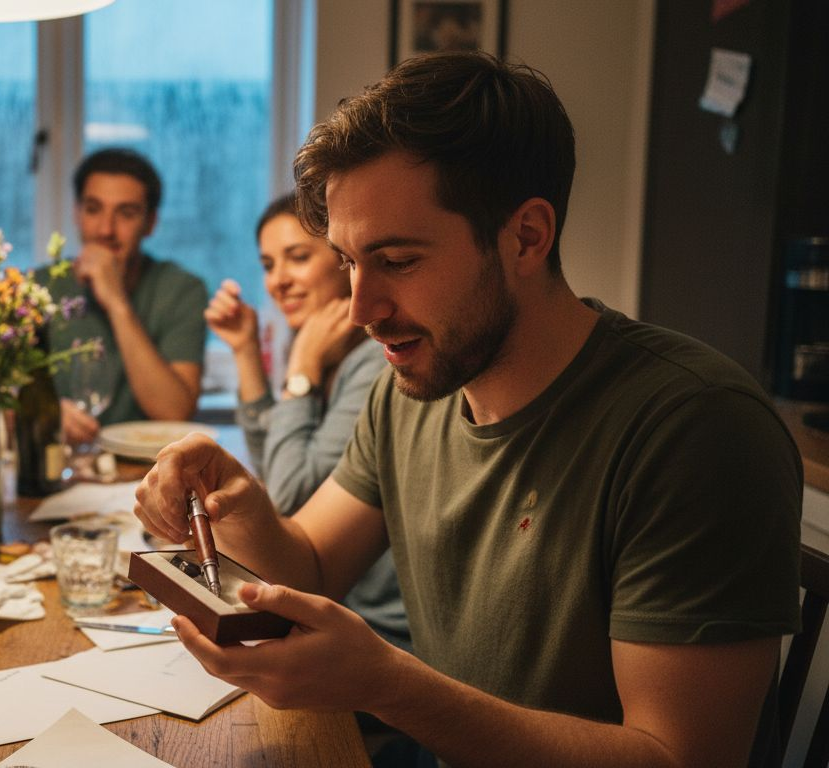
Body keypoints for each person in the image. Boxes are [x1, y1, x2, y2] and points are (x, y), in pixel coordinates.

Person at [134, 51, 802, 768]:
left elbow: (678, 759)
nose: (361, 309)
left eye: (397, 260)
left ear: (526, 237)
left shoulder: (695, 429)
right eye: (351, 262)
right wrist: (241, 503)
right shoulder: (410, 390)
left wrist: (388, 685)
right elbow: (313, 565)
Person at [204, 193, 406, 647]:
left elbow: (289, 496)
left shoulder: (379, 363)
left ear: (344, 260)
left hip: (372, 633)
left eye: (297, 258)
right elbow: (275, 471)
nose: (278, 282)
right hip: (332, 613)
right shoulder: (322, 348)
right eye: (268, 264)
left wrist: (300, 372)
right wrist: (244, 354)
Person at [48, 148, 208, 444]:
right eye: (93, 209)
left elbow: (175, 412)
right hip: (57, 466)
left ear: (150, 223)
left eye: (126, 213)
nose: (106, 230)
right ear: (76, 213)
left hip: (146, 474)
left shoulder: (183, 290)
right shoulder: (38, 288)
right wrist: (45, 413)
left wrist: (117, 303)